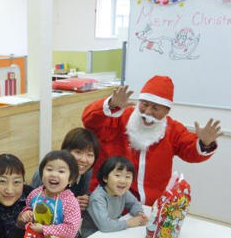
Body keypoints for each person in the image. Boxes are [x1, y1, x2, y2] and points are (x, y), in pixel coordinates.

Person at [82, 75, 223, 205]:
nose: (148, 112)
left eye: (155, 108)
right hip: (109, 200)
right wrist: (111, 105)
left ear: (167, 111)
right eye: (144, 104)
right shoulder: (119, 117)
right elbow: (90, 121)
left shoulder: (173, 129)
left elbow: (191, 151)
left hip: (151, 205)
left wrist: (205, 144)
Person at [18, 150, 81, 238]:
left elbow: (71, 230)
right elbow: (28, 207)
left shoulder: (70, 202)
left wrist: (44, 229)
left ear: (71, 179)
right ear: (41, 173)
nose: (54, 174)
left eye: (61, 171)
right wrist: (26, 213)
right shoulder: (35, 193)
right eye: (49, 169)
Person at [31, 127, 99, 211]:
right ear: (65, 151)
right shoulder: (46, 175)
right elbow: (32, 204)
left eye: (90, 155)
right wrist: (69, 204)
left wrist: (86, 200)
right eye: (78, 152)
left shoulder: (86, 172)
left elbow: (81, 196)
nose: (84, 160)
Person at [81, 156, 148, 238]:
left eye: (127, 177)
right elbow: (105, 225)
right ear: (105, 178)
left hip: (112, 232)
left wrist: (139, 213)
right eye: (117, 175)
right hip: (93, 236)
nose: (123, 180)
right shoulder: (97, 198)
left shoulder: (123, 191)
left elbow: (134, 203)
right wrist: (128, 223)